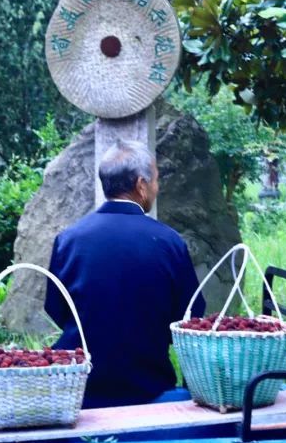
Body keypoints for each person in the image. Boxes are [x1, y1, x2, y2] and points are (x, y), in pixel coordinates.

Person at [45, 139, 205, 408]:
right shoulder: (169, 241)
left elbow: (56, 309)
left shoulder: (69, 239)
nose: (158, 186)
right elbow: (189, 319)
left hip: (78, 382)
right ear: (141, 185)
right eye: (156, 179)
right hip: (148, 383)